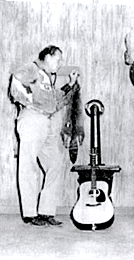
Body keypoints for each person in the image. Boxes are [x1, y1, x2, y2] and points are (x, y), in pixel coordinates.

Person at [9, 45, 81, 226]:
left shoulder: (46, 78)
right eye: (58, 59)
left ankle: (45, 212)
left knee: (55, 164)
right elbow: (15, 81)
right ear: (48, 57)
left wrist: (70, 85)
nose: (60, 63)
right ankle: (30, 213)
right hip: (32, 119)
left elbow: (54, 99)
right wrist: (29, 101)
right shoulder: (32, 69)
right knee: (28, 166)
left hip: (45, 122)